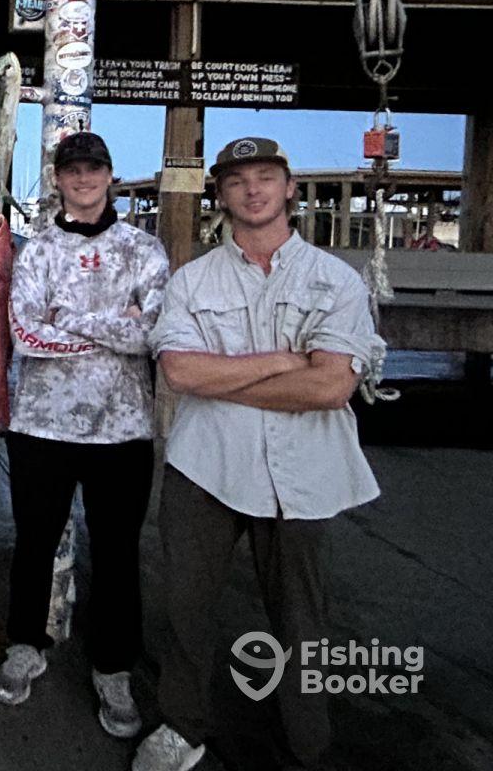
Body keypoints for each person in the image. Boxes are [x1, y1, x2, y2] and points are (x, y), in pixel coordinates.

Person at [134, 137, 382, 771]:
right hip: (205, 468)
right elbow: (182, 375)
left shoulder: (335, 279)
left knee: (302, 617)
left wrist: (230, 378)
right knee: (186, 607)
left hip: (303, 474)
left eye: (265, 177)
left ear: (289, 188)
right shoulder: (191, 280)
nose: (252, 189)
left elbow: (331, 387)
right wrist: (281, 362)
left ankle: (308, 740)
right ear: (219, 192)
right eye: (237, 179)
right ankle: (183, 726)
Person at [0, 132, 169, 740]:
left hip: (123, 431)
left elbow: (155, 333)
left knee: (119, 553)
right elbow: (24, 336)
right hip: (41, 426)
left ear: (110, 175)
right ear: (59, 179)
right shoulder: (36, 251)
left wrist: (70, 320)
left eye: (94, 168)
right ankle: (24, 645)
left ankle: (114, 667)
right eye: (73, 170)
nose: (84, 178)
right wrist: (110, 326)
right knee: (33, 543)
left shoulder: (144, 250)